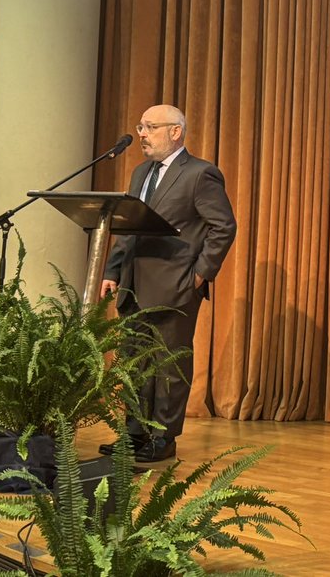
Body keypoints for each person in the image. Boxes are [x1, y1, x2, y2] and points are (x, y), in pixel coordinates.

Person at [98, 104, 237, 462]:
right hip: (133, 282)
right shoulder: (141, 172)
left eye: (150, 127)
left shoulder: (200, 173)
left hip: (176, 284)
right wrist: (113, 270)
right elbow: (128, 226)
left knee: (168, 364)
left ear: (175, 132)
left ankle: (163, 436)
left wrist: (201, 274)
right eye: (140, 126)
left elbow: (223, 226)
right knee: (134, 362)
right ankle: (134, 433)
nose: (141, 134)